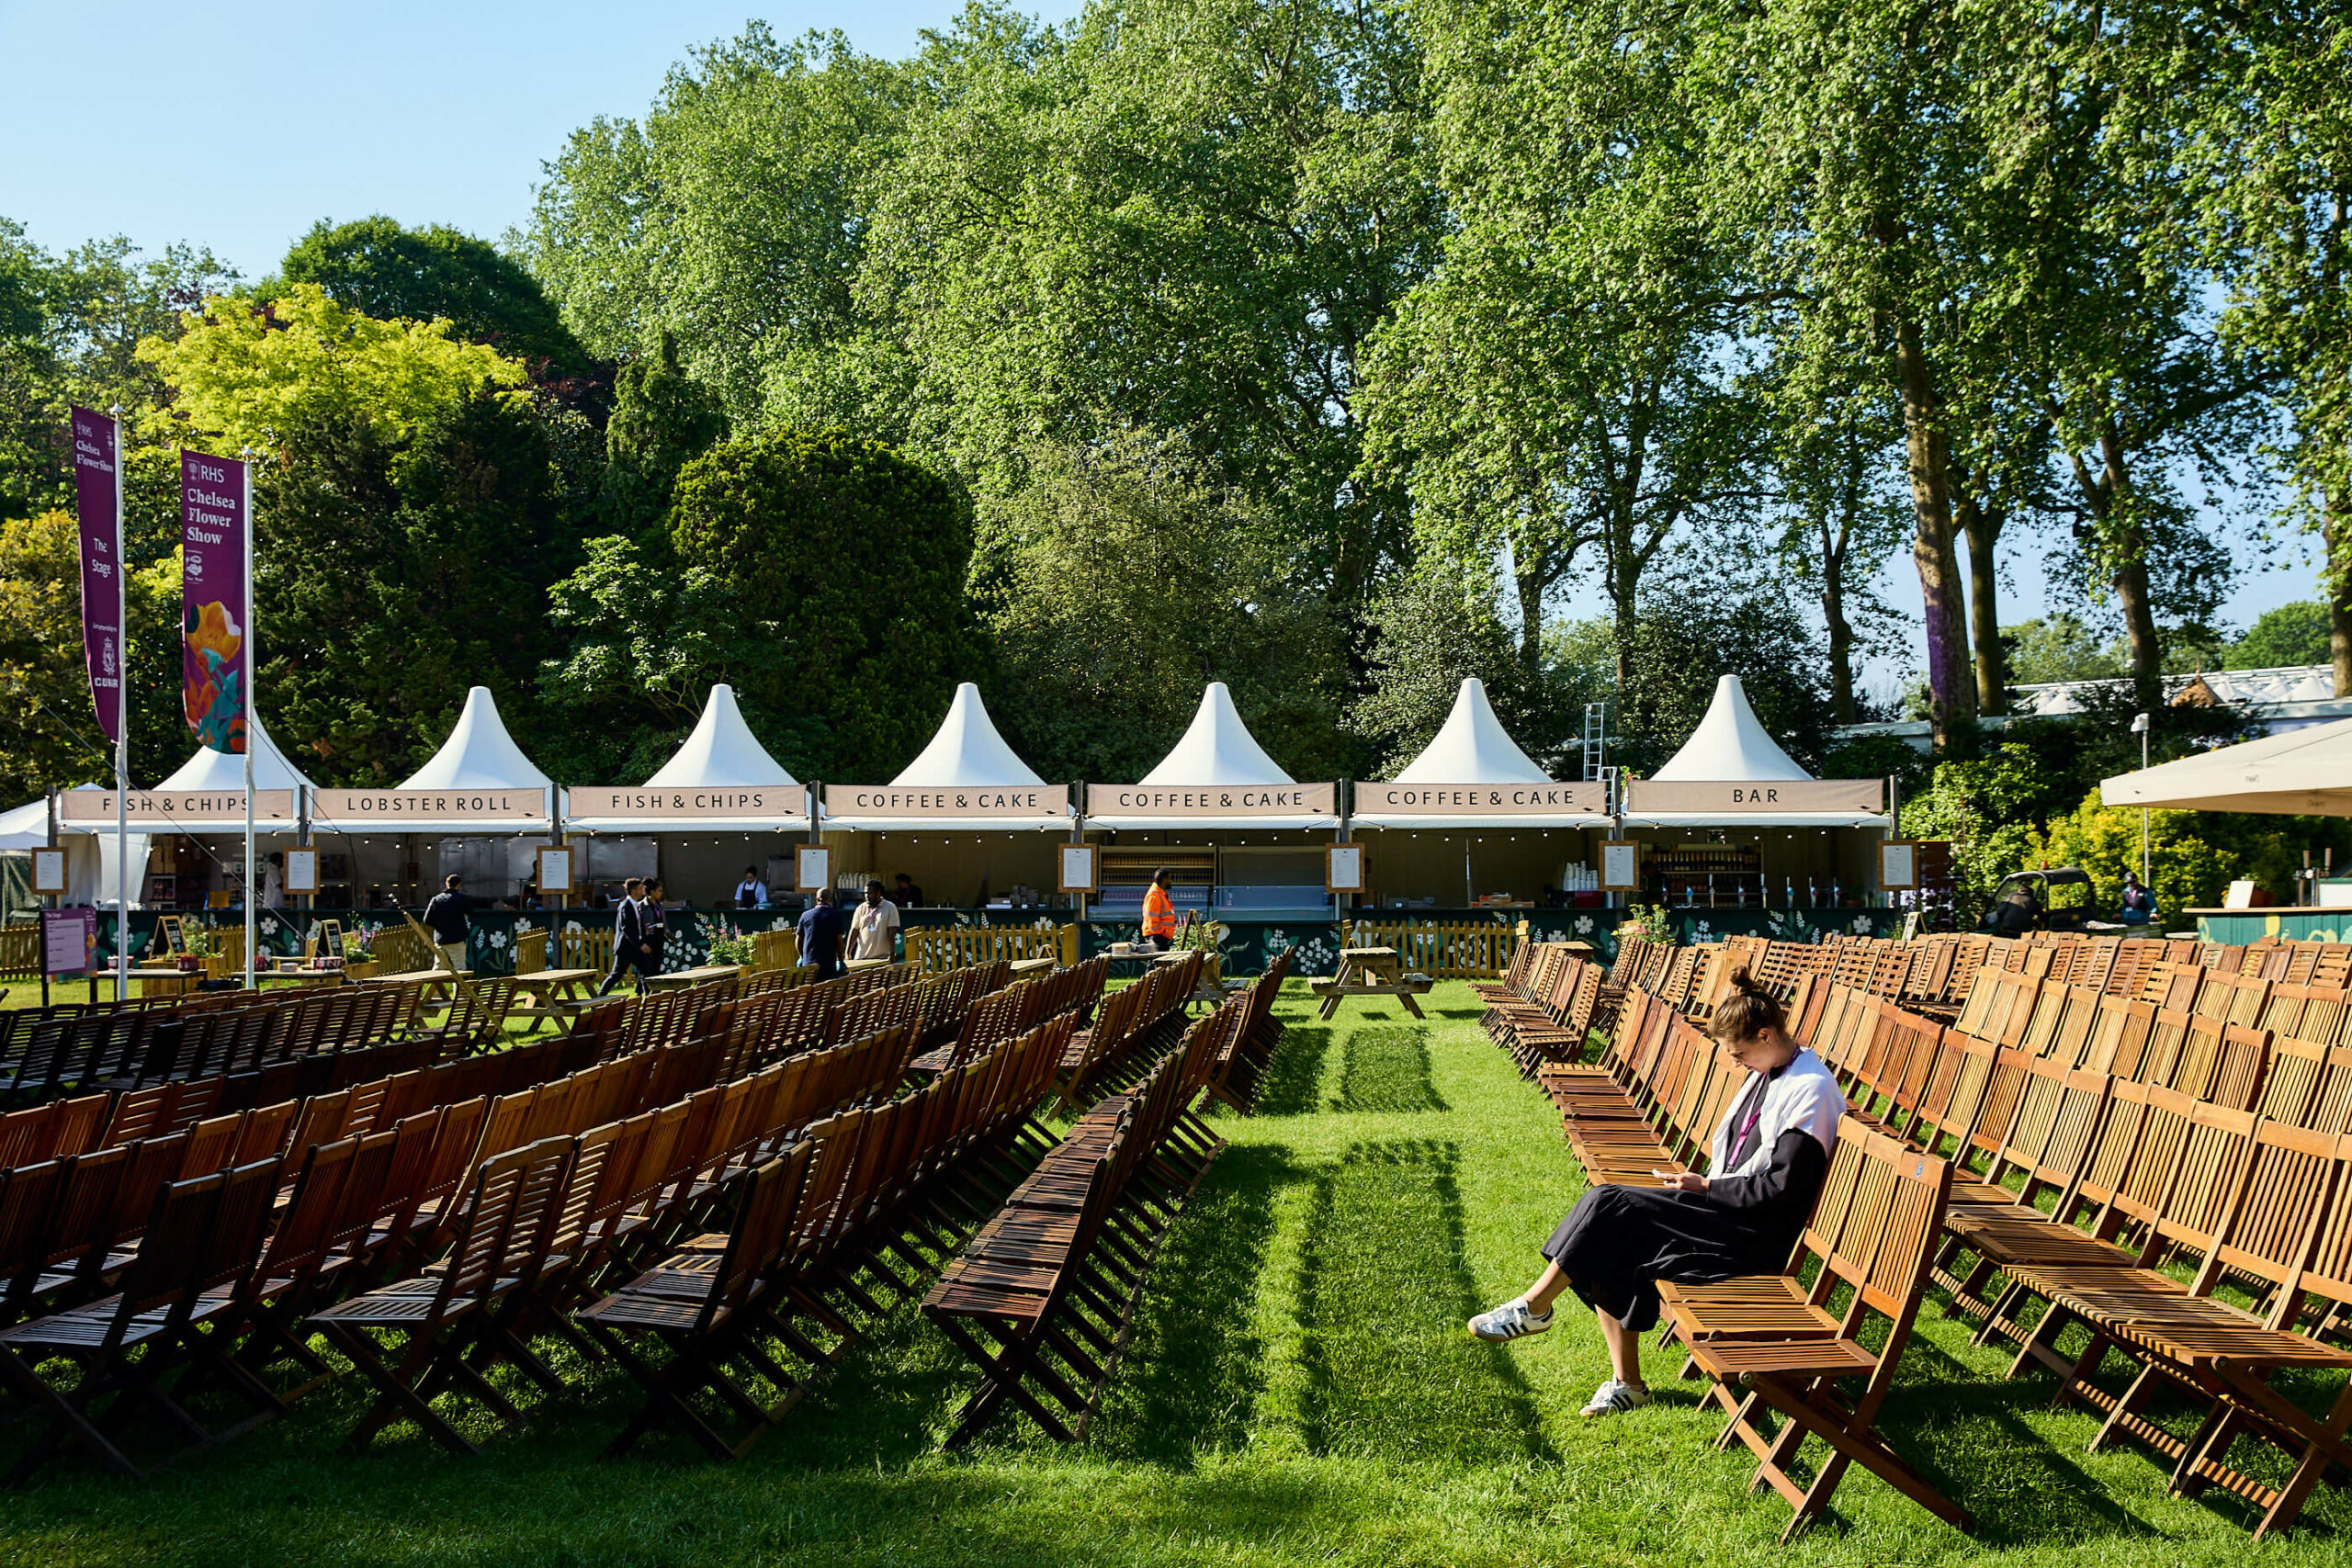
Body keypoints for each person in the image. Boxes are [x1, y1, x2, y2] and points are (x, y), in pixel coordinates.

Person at [1466, 967, 1846, 1418]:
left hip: (1750, 1234)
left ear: (1766, 1035)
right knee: (1609, 1225)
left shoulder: (1811, 1090)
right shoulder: (1772, 1070)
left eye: (1740, 1053)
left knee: (1611, 1205)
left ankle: (1535, 1308)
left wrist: (1706, 1185)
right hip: (1724, 1209)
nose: (1736, 1062)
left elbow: (1781, 1189)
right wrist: (1704, 1185)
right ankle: (1626, 1383)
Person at [595, 876, 656, 996]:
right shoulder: (625, 906)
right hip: (625, 948)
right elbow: (626, 929)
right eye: (640, 889)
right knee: (616, 974)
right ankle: (600, 996)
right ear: (633, 891)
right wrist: (641, 944)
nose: (642, 891)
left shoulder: (636, 905)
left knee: (646, 969)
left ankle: (646, 996)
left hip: (634, 947)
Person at [423, 873, 473, 973]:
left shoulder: (436, 899)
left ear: (447, 884)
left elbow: (427, 920)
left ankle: (435, 988)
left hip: (440, 938)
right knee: (459, 967)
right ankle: (459, 988)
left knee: (438, 967)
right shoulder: (462, 898)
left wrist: (439, 926)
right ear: (459, 885)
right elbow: (471, 912)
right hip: (457, 938)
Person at [797, 886, 846, 979]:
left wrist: (803, 957)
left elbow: (798, 941)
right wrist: (840, 960)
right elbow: (839, 941)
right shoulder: (836, 915)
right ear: (830, 900)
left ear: (816, 899)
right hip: (828, 965)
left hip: (809, 965)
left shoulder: (805, 915)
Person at [848, 879, 900, 963]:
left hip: (882, 958)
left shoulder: (890, 907)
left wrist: (892, 953)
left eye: (870, 893)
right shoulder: (861, 908)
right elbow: (854, 930)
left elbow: (891, 933)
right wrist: (848, 952)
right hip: (862, 957)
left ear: (878, 893)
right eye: (865, 893)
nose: (867, 896)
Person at [1140, 867, 1178, 953]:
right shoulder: (1154, 895)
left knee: (1158, 963)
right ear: (1164, 879)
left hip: (1160, 935)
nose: (1171, 881)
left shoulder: (1160, 894)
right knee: (1155, 963)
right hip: (1157, 936)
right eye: (1169, 878)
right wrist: (1164, 931)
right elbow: (1152, 921)